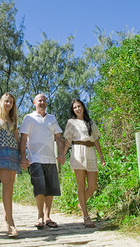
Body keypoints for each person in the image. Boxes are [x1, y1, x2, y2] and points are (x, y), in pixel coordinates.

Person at [19, 94, 65, 229]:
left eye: (44, 100)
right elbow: (23, 138)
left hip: (51, 159)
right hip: (35, 159)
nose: (42, 102)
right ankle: (39, 216)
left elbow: (59, 137)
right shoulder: (29, 118)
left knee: (50, 189)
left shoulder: (52, 118)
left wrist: (61, 154)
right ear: (34, 102)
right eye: (40, 100)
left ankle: (47, 217)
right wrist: (23, 157)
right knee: (39, 187)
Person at [63, 99, 105, 228]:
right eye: (75, 107)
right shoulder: (71, 122)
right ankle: (86, 217)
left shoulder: (90, 122)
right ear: (73, 110)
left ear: (83, 107)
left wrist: (101, 157)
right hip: (78, 153)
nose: (77, 109)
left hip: (91, 152)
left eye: (79, 106)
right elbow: (68, 140)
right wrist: (62, 155)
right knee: (81, 185)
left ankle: (81, 204)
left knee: (92, 186)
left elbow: (96, 140)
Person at [0, 92, 22, 237]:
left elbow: (16, 138)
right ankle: (11, 223)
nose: (9, 104)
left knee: (10, 186)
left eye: (11, 102)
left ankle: (5, 217)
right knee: (7, 184)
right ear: (2, 101)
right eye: (7, 101)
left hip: (12, 152)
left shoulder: (13, 119)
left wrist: (22, 155)